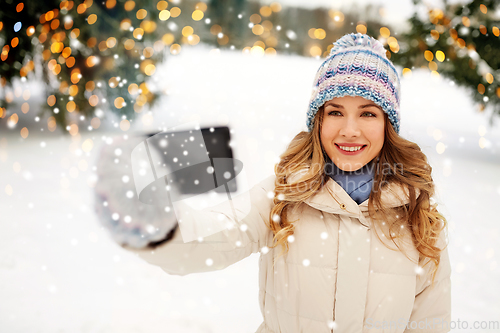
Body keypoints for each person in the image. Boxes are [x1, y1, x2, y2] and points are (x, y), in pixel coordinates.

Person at [94, 33, 451, 333]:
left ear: (388, 125)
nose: (350, 130)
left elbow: (430, 323)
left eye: (368, 113)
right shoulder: (284, 195)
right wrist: (154, 222)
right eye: (335, 111)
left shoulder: (420, 219)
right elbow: (204, 241)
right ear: (318, 122)